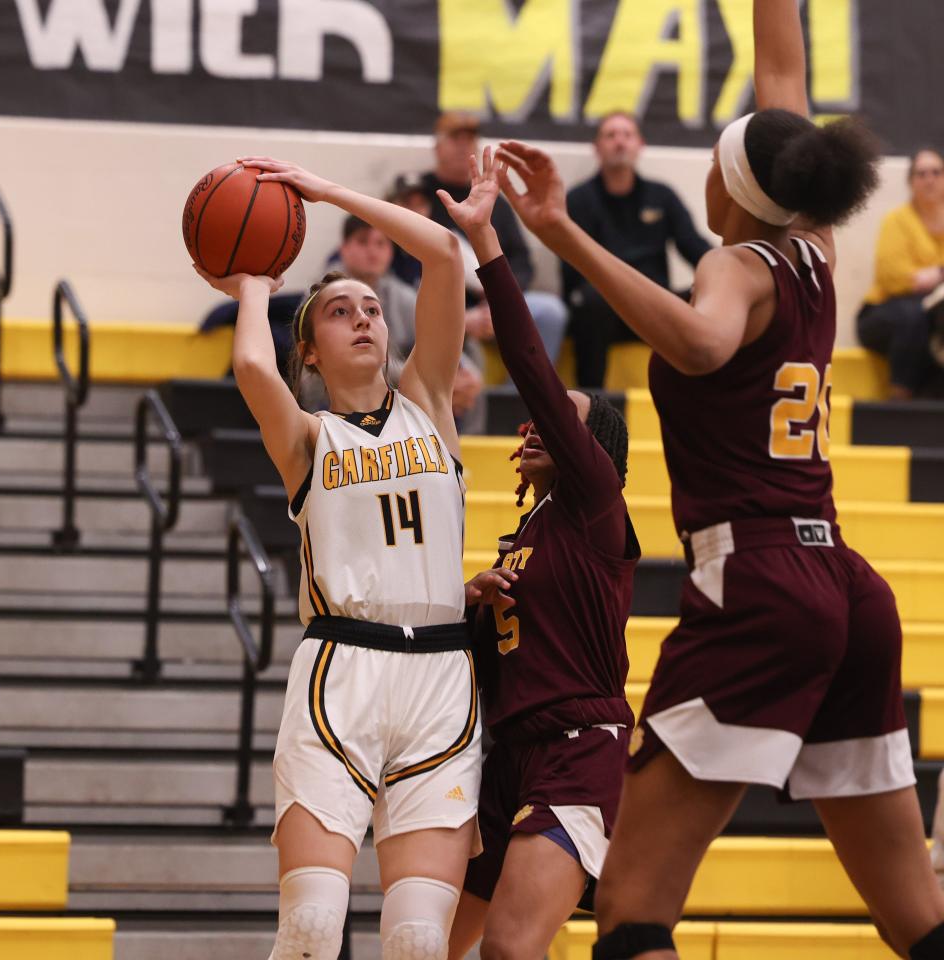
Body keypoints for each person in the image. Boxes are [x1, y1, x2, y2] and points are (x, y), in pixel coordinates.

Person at [495, 1, 944, 957]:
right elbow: (787, 86)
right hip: (847, 588)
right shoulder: (815, 247)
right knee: (918, 919)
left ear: (734, 186)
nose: (697, 167)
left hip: (762, 589)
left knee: (629, 912)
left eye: (710, 158)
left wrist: (562, 233)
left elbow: (701, 346)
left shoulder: (734, 264)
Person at [193, 156, 483, 960]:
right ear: (311, 352)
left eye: (370, 310)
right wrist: (255, 281)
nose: (362, 319)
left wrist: (323, 193)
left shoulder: (428, 400)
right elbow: (253, 364)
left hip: (442, 681)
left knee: (421, 942)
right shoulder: (306, 439)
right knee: (313, 931)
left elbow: (444, 254)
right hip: (339, 674)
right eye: (338, 313)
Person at [434, 149, 640, 960]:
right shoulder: (526, 536)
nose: (532, 426)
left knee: (511, 950)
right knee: (426, 945)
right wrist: (470, 602)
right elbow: (484, 664)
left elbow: (528, 367)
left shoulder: (595, 505)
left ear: (586, 445)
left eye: (554, 421)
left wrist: (488, 246)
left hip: (576, 753)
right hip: (506, 756)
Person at [563, 112, 711, 387]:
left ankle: (704, 394)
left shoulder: (662, 196)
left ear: (640, 144)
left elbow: (693, 245)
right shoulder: (578, 199)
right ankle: (591, 404)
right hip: (604, 307)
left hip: (656, 308)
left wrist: (726, 270)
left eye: (627, 135)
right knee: (590, 299)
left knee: (702, 297)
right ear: (597, 147)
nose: (619, 142)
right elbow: (572, 270)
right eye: (610, 135)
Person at [412, 112, 569, 366]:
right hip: (443, 303)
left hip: (497, 300)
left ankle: (523, 398)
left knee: (551, 311)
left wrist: (499, 297)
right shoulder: (418, 196)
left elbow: (522, 260)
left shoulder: (492, 199)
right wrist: (465, 314)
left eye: (469, 140)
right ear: (438, 147)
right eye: (455, 139)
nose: (463, 146)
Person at [326, 215, 486, 431]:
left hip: (396, 384)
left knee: (470, 369)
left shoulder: (399, 293)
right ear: (343, 248)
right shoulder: (325, 294)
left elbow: (436, 335)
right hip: (338, 390)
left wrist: (463, 374)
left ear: (391, 251)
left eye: (381, 243)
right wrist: (436, 379)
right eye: (363, 241)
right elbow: (354, 364)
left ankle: (465, 452)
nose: (373, 251)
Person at [857, 149, 944, 399]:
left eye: (936, 172)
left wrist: (931, 276)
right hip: (882, 312)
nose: (930, 179)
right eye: (922, 173)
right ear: (911, 182)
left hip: (931, 315)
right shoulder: (896, 220)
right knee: (915, 315)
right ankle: (899, 401)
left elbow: (920, 280)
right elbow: (892, 277)